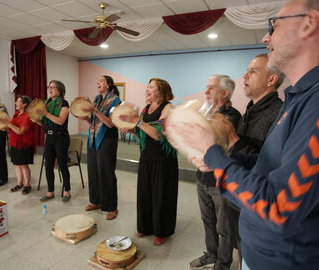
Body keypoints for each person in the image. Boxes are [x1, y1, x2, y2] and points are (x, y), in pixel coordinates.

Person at [175, 0, 319, 269]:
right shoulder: (303, 96)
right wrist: (223, 157)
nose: (265, 36)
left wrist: (216, 156)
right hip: (258, 252)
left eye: (274, 25)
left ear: (309, 24)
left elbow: (279, 209)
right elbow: (271, 167)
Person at [222, 53, 285, 269]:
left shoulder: (279, 114)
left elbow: (269, 167)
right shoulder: (250, 110)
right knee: (241, 252)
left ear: (271, 79)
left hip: (256, 207)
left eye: (253, 71)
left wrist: (233, 140)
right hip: (238, 199)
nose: (244, 75)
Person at [190, 75, 241, 270]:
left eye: (211, 88)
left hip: (220, 182)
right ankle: (211, 254)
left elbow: (217, 143)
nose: (206, 92)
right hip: (202, 177)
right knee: (207, 220)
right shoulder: (206, 112)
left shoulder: (232, 117)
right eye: (207, 87)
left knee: (224, 227)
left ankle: (223, 262)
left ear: (225, 93)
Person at [119, 78, 178, 246]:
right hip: (146, 157)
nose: (147, 89)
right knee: (145, 194)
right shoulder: (145, 109)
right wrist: (131, 129)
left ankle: (162, 231)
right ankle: (145, 226)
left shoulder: (168, 108)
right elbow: (143, 134)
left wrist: (137, 122)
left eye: (151, 87)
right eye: (147, 87)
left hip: (163, 159)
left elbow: (160, 135)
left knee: (161, 196)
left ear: (162, 91)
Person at [80, 75, 121, 220]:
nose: (98, 82)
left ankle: (111, 207)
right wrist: (84, 116)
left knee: (106, 172)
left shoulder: (115, 100)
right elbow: (93, 120)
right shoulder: (97, 99)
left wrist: (95, 111)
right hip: (93, 139)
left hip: (107, 139)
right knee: (93, 171)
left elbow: (110, 123)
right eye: (97, 81)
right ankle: (96, 201)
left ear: (108, 84)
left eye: (101, 81)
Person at [36, 80, 71, 203]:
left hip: (61, 138)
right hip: (49, 138)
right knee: (49, 165)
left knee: (62, 165)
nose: (49, 89)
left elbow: (60, 121)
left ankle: (67, 191)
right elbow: (44, 122)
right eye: (49, 87)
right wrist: (36, 120)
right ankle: (50, 191)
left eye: (52, 87)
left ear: (59, 90)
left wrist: (45, 113)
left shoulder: (64, 103)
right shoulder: (46, 102)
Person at [4, 95, 36, 195]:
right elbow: (13, 128)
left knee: (23, 165)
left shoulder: (27, 116)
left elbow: (21, 131)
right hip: (15, 143)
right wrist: (5, 128)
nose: (16, 103)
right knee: (17, 165)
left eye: (18, 101)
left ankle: (27, 185)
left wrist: (9, 125)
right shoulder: (16, 114)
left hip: (23, 144)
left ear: (24, 104)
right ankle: (19, 184)